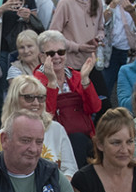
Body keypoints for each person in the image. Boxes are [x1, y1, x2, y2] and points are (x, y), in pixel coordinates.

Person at [35, 29, 101, 162]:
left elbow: (94, 108)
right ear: (42, 57)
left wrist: (85, 80)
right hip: (53, 140)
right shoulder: (35, 82)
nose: (57, 57)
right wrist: (52, 83)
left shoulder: (76, 76)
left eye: (61, 52)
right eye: (51, 53)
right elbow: (45, 116)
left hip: (84, 137)